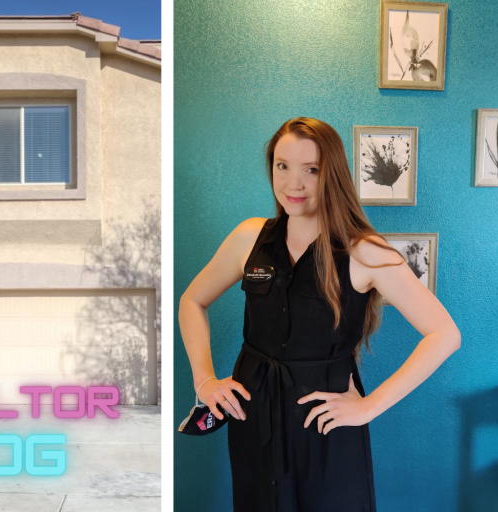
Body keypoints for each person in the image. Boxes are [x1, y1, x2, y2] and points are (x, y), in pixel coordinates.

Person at [179, 117, 461, 512]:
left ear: (332, 175)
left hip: (327, 429)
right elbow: (192, 301)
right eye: (282, 166)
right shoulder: (250, 237)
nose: (294, 183)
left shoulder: (364, 252)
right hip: (254, 422)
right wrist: (205, 380)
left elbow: (444, 334)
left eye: (311, 169)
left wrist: (369, 406)